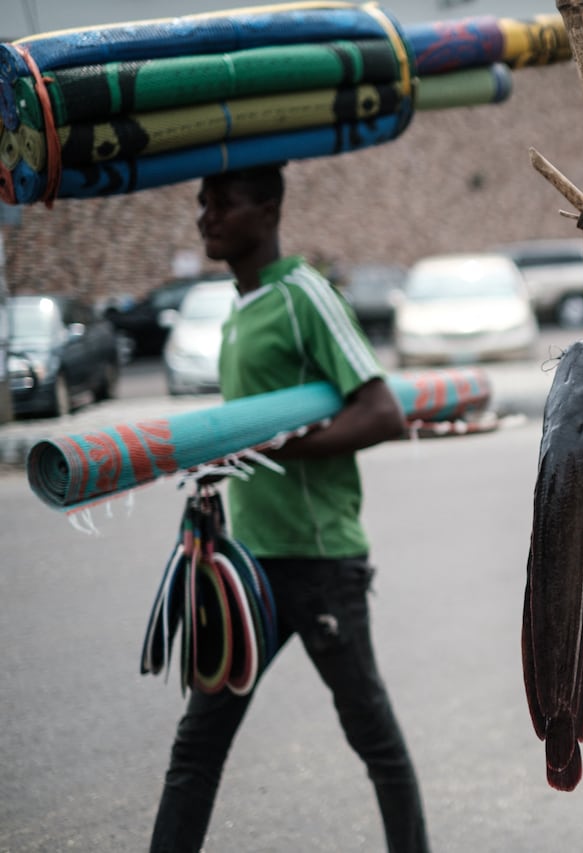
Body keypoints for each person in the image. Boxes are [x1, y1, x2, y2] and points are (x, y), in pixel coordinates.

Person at [149, 163, 431, 852]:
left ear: (269, 208)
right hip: (250, 563)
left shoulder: (305, 296)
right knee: (196, 746)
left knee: (374, 740)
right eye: (202, 202)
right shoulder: (238, 311)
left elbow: (382, 411)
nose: (206, 216)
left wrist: (276, 447)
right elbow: (248, 435)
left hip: (320, 560)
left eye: (224, 203)